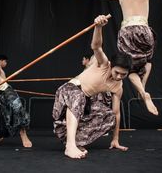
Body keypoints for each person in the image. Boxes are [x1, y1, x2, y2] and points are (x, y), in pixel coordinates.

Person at [53, 15, 132, 159]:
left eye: (124, 75)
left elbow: (117, 113)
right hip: (68, 92)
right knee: (78, 96)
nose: (119, 77)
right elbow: (96, 46)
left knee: (110, 116)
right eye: (117, 72)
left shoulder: (118, 87)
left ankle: (76, 141)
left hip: (84, 103)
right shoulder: (104, 64)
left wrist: (115, 139)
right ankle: (70, 147)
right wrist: (99, 27)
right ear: (112, 66)